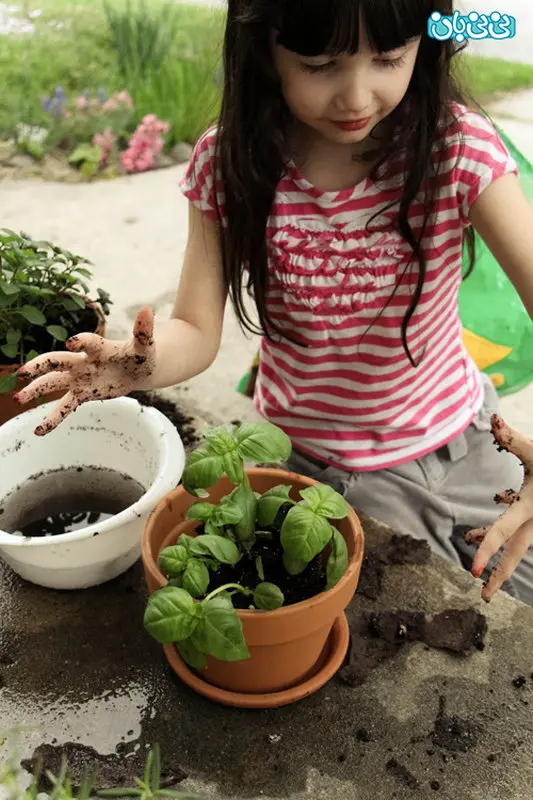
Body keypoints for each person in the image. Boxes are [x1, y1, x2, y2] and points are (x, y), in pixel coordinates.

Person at [14, 0, 533, 605]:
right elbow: (195, 328)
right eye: (320, 64)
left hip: (470, 436)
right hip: (329, 469)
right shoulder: (232, 163)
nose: (357, 96)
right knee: (408, 608)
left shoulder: (456, 147)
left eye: (390, 58)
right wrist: (141, 366)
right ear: (264, 48)